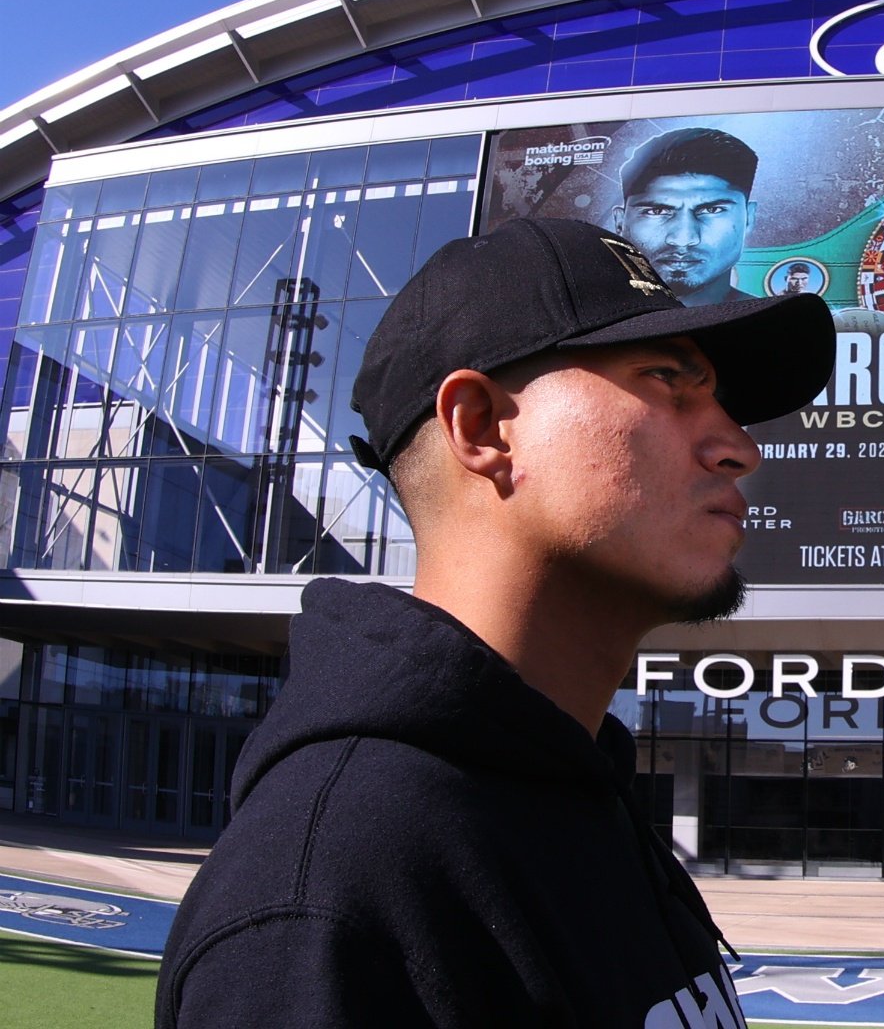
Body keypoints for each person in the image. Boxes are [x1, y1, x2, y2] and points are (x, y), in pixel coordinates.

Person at [155, 217, 832, 1026]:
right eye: (666, 380)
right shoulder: (331, 896)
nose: (738, 448)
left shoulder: (585, 796)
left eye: (718, 399)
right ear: (481, 427)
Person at [613, 127, 760, 305]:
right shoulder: (583, 329)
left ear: (748, 218)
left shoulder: (784, 327)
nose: (683, 239)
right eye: (656, 211)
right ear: (619, 222)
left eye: (712, 210)